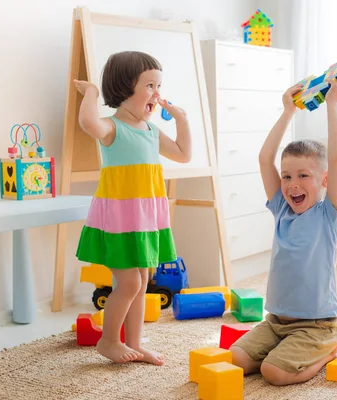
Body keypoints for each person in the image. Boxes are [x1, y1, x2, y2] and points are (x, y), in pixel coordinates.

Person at [231, 68, 337, 385]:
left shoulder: (328, 214)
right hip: (276, 322)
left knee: (274, 373)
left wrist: (333, 106)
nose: (292, 184)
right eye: (286, 176)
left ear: (323, 181)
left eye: (303, 176)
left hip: (317, 324)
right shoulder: (281, 209)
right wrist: (287, 111)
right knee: (238, 359)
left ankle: (327, 351)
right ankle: (288, 349)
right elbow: (264, 158)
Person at [73, 51, 192, 365]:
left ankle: (134, 343)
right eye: (149, 85)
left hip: (144, 221)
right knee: (129, 283)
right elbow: (87, 122)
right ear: (125, 88)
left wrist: (182, 120)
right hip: (120, 221)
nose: (157, 94)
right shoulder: (113, 128)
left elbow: (183, 154)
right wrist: (92, 92)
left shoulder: (151, 131)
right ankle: (109, 341)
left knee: (142, 280)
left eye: (159, 86)